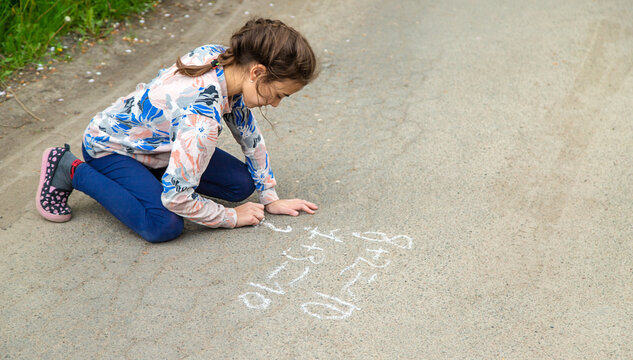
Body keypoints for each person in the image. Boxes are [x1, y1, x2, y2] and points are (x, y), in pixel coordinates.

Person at [35, 18, 319, 243]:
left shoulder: (222, 58)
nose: (277, 104)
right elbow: (177, 199)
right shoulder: (202, 120)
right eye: (279, 93)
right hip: (111, 148)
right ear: (256, 72)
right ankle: (69, 168)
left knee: (242, 184)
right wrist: (230, 216)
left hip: (160, 145)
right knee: (163, 224)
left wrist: (270, 196)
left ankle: (153, 176)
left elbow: (247, 132)